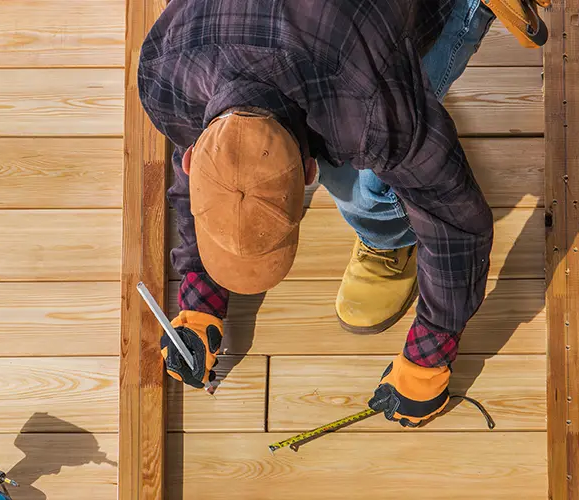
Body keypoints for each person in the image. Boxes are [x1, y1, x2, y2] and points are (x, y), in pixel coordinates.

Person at [136, 0, 539, 428]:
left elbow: (456, 220)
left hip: (350, 39)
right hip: (317, 31)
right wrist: (199, 299)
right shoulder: (165, 74)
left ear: (310, 170)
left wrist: (430, 354)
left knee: (365, 190)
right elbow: (206, 171)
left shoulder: (366, 106)